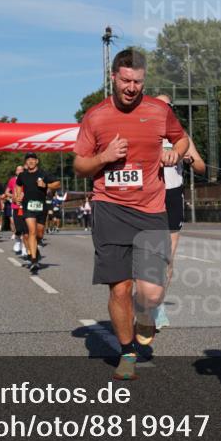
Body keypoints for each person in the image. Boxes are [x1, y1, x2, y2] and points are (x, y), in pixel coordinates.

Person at [74, 48, 189, 381]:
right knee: (120, 289)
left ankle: (146, 315)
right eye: (126, 80)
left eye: (138, 81)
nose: (131, 87)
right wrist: (104, 157)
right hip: (109, 208)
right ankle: (127, 352)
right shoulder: (95, 116)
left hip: (151, 209)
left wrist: (173, 152)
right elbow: (80, 164)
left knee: (151, 292)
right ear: (113, 78)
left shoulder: (158, 111)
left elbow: (181, 140)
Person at [140, 93, 207, 345]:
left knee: (167, 258)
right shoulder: (144, 132)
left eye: (167, 106)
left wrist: (189, 159)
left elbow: (202, 167)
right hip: (147, 196)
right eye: (158, 105)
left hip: (172, 196)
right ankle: (145, 295)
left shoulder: (181, 135)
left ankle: (156, 305)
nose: (163, 109)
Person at [14, 153, 61, 274]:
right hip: (27, 207)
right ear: (26, 162)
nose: (30, 162)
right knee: (31, 232)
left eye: (32, 160)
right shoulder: (22, 175)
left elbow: (57, 183)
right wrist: (17, 196)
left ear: (37, 161)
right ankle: (34, 260)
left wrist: (46, 185)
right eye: (28, 160)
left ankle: (36, 250)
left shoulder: (43, 174)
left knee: (39, 234)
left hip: (41, 207)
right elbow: (18, 186)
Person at [5, 165, 27, 255]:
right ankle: (18, 241)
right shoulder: (12, 180)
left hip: (26, 207)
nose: (20, 171)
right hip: (15, 207)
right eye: (18, 170)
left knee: (26, 228)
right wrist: (13, 197)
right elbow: (6, 192)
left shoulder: (27, 179)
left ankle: (25, 248)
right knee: (17, 227)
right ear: (16, 172)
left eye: (21, 170)